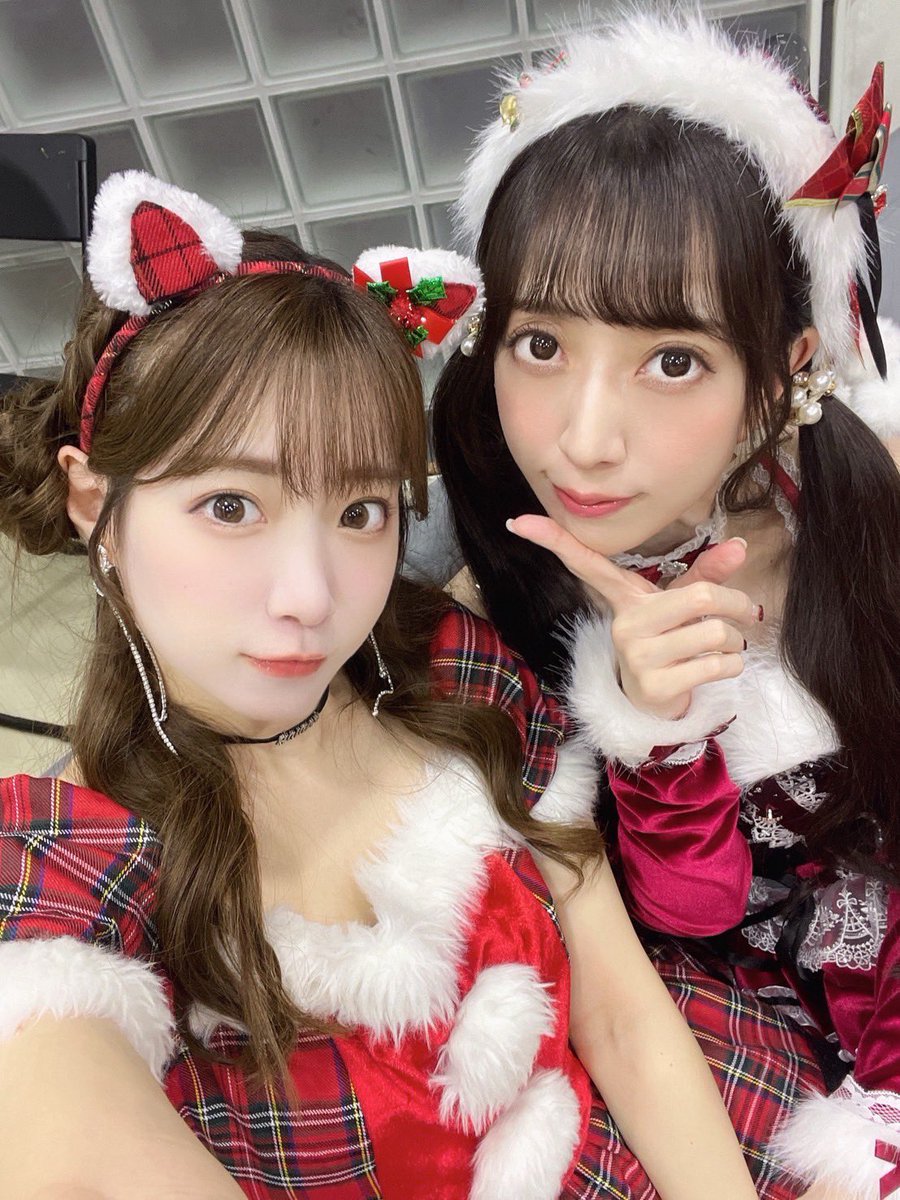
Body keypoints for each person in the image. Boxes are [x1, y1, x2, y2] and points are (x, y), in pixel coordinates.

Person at [0, 170, 772, 1200]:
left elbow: (623, 1017)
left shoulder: (449, 667)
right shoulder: (62, 866)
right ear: (94, 500)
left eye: (360, 511)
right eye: (231, 505)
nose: (311, 597)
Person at [431, 11, 900, 1199]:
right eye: (540, 344)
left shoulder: (863, 501)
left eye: (673, 360)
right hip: (742, 1025)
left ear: (787, 368)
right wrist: (658, 728)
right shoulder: (488, 586)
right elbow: (686, 915)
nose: (584, 440)